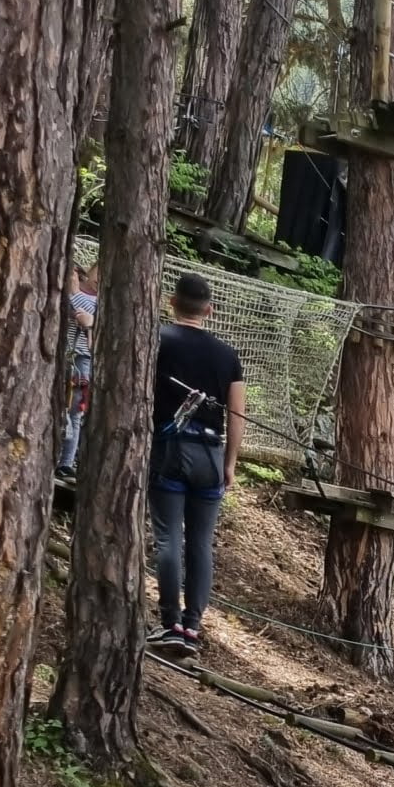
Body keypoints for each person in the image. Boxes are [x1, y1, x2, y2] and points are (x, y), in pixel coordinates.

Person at [148, 272, 245, 657]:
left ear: (172, 302)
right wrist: (230, 463)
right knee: (201, 543)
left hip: (169, 448)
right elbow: (237, 413)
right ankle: (191, 626)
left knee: (170, 537)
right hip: (210, 453)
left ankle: (170, 621)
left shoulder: (157, 338)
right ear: (209, 309)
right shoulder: (228, 354)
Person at [58, 265, 97, 475]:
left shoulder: (99, 302)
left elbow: (89, 316)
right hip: (60, 354)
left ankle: (65, 462)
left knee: (74, 411)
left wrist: (73, 293)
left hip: (81, 360)